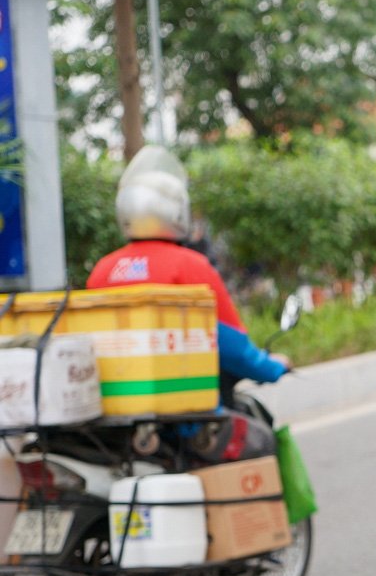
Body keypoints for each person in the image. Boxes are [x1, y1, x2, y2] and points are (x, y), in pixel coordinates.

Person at [86, 145, 290, 400]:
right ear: (175, 211)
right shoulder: (189, 265)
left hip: (113, 404)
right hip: (182, 410)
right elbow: (231, 346)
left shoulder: (103, 269)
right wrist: (271, 368)